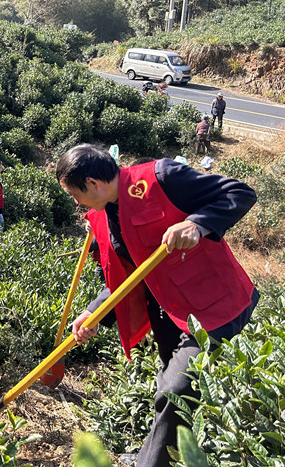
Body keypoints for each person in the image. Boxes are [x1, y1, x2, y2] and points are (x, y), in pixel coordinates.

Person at [55, 144, 258, 467]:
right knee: (171, 391)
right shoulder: (101, 218)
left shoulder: (162, 177)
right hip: (167, 315)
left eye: (74, 193)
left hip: (212, 308)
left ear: (93, 183)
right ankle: (170, 453)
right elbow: (122, 279)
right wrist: (95, 312)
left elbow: (239, 193)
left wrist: (198, 223)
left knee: (173, 392)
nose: (75, 203)